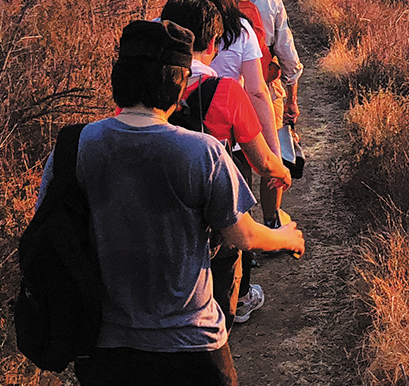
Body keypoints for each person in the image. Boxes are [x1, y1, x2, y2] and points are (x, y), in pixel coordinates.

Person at [38, 20, 303, 386]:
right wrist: (288, 237)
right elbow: (241, 235)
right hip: (191, 344)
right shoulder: (200, 152)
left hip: (105, 347)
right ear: (178, 86)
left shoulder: (74, 147)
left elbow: (48, 226)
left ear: (119, 78)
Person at [159, 0, 293, 326]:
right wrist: (281, 171)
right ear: (215, 43)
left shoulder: (147, 92)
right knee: (218, 307)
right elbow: (261, 160)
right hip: (213, 220)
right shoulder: (227, 91)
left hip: (158, 217)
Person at [215, 0, 303, 131]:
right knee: (268, 156)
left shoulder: (210, 2)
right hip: (264, 90)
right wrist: (291, 100)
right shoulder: (270, 1)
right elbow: (287, 56)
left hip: (218, 95)